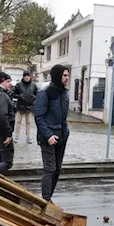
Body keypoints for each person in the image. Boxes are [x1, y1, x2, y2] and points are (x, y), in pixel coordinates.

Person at [33, 64, 71, 201]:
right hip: (48, 137)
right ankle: (46, 199)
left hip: (62, 136)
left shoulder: (64, 93)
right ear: (57, 76)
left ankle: (49, 197)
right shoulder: (45, 93)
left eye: (67, 75)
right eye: (64, 75)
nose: (67, 78)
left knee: (57, 170)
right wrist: (48, 135)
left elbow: (63, 116)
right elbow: (39, 116)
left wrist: (65, 131)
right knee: (50, 168)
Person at [13, 70, 38, 144]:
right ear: (23, 77)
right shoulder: (18, 85)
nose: (26, 77)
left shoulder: (33, 85)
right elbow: (13, 93)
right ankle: (16, 136)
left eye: (28, 76)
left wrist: (33, 97)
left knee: (29, 122)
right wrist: (19, 96)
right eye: (25, 76)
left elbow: (37, 94)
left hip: (29, 107)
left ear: (30, 77)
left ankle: (28, 137)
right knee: (18, 122)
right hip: (20, 106)